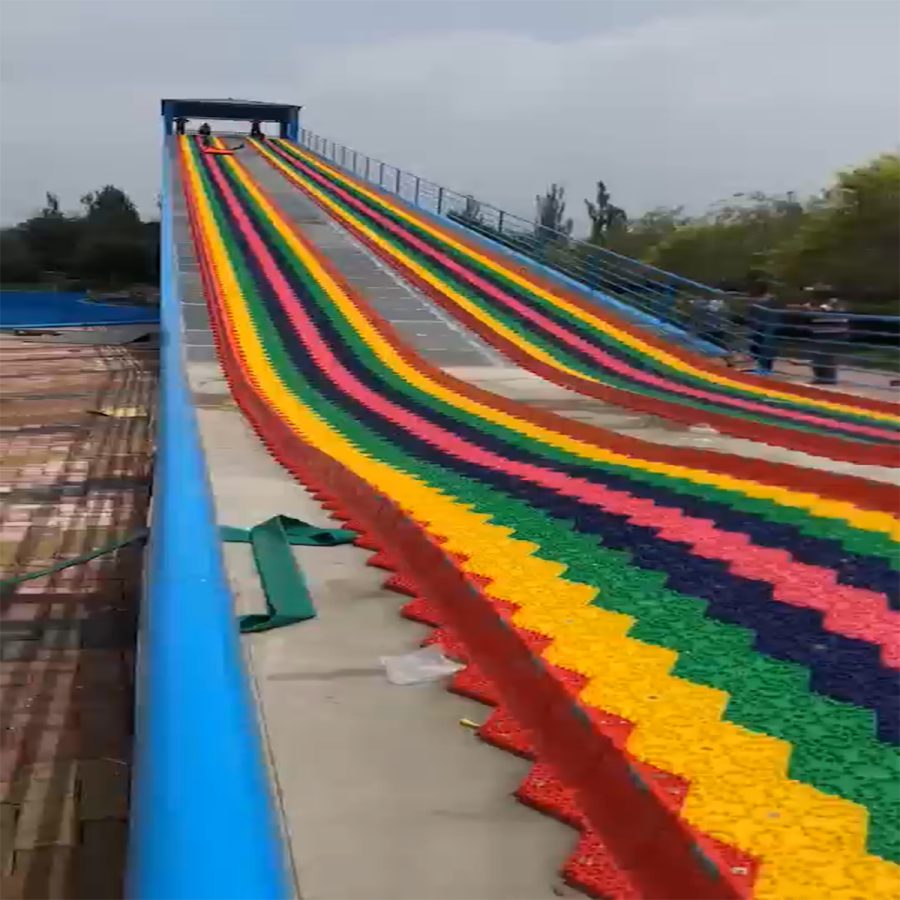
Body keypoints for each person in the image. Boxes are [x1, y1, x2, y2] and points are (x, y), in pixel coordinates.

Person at [804, 293, 849, 385]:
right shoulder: (828, 304)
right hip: (824, 333)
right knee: (822, 356)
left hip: (831, 334)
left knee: (823, 356)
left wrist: (811, 309)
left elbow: (824, 310)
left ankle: (826, 378)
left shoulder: (832, 303)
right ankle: (824, 377)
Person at [747, 290, 779, 375]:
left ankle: (766, 368)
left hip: (767, 327)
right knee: (757, 347)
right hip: (759, 327)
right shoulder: (755, 304)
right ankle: (762, 367)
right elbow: (751, 316)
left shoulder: (770, 303)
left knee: (766, 347)